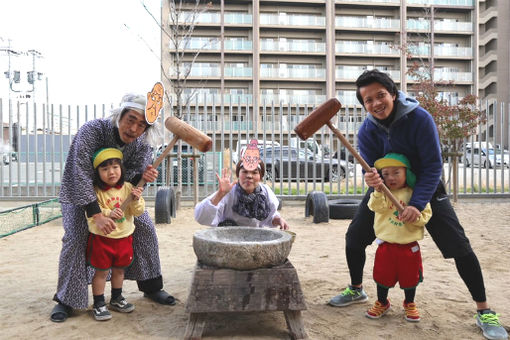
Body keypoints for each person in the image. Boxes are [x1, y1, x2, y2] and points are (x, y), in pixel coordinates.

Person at [328, 69, 508, 340]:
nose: (376, 103)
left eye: (381, 95)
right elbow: (373, 168)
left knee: (459, 246)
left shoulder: (420, 119)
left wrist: (418, 203)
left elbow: (433, 165)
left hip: (427, 188)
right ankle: (356, 288)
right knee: (355, 236)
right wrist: (372, 179)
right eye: (368, 100)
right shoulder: (366, 130)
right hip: (388, 190)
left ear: (393, 94)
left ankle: (484, 310)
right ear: (363, 104)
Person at [51, 93, 176, 323]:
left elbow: (133, 177)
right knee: (77, 236)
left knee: (145, 227)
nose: (134, 129)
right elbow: (79, 171)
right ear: (120, 115)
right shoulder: (93, 130)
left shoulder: (141, 144)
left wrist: (143, 177)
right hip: (80, 194)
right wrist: (96, 214)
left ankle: (151, 285)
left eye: (141, 125)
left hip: (118, 196)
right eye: (131, 120)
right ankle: (66, 300)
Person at [364, 153, 432, 322]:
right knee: (382, 276)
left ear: (406, 174)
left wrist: (415, 217)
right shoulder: (382, 193)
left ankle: (409, 303)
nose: (391, 178)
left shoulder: (415, 195)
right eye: (385, 174)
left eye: (396, 172)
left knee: (410, 278)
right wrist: (378, 191)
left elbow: (426, 214)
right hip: (386, 245)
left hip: (409, 246)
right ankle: (382, 302)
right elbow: (374, 207)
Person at [87, 147, 145, 321]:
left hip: (124, 238)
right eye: (105, 169)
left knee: (119, 271)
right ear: (98, 172)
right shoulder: (95, 191)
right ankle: (98, 303)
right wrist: (108, 213)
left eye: (115, 167)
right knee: (101, 273)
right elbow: (91, 214)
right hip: (103, 240)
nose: (111, 172)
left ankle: (116, 298)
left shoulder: (128, 187)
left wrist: (135, 200)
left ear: (121, 168)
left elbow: (138, 211)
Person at [195, 139, 289, 230]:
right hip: (227, 239)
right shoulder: (228, 192)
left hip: (254, 240)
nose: (249, 176)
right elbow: (201, 217)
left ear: (260, 177)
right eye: (244, 171)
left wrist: (278, 220)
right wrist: (220, 194)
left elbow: (270, 217)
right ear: (238, 175)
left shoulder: (265, 192)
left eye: (254, 172)